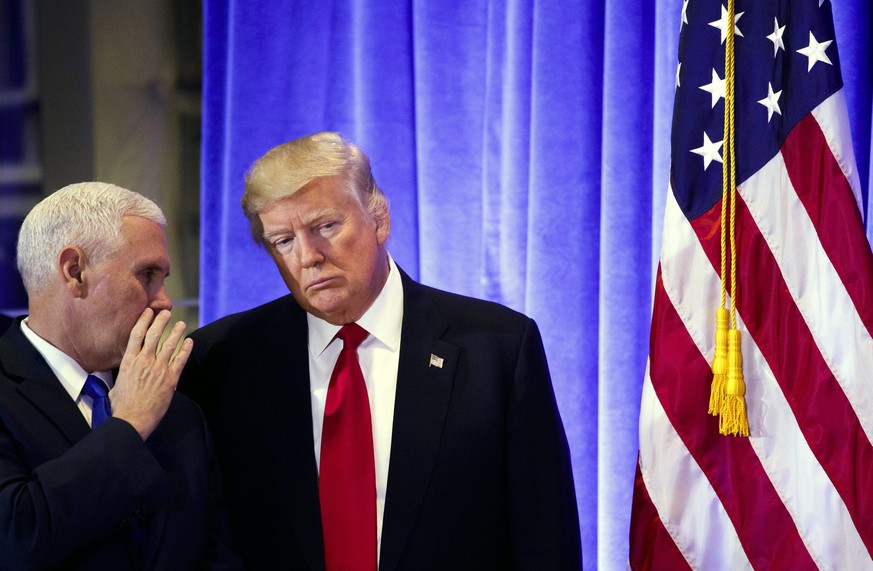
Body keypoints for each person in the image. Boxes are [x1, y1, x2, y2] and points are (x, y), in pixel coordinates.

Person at [181, 132, 582, 570]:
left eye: (325, 226)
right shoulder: (220, 362)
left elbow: (545, 540)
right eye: (284, 241)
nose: (308, 256)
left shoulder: (499, 348)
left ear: (379, 219)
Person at [0, 182, 240, 569]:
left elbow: (216, 555)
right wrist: (128, 425)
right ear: (74, 271)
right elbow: (16, 537)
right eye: (147, 275)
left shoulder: (179, 411)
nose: (163, 301)